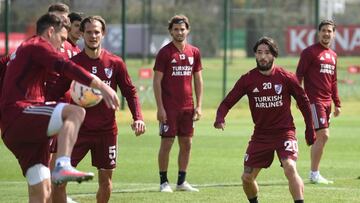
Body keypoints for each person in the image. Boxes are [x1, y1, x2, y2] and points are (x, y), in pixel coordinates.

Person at [0, 13, 120, 203]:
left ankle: (60, 168)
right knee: (75, 112)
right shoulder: (37, 45)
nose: (62, 45)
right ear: (50, 32)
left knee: (42, 192)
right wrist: (102, 86)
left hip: (17, 130)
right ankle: (63, 165)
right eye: (62, 39)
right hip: (21, 114)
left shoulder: (22, 51)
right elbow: (66, 67)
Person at [50, 15, 146, 203]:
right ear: (82, 34)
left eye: (96, 32)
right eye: (88, 32)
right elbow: (54, 92)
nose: (93, 36)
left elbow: (130, 91)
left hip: (106, 132)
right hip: (78, 132)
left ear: (103, 34)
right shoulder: (74, 64)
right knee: (58, 180)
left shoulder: (115, 63)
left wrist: (138, 117)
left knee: (105, 181)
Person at [214, 37, 316, 203]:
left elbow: (304, 102)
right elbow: (227, 102)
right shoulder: (247, 79)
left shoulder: (286, 77)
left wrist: (309, 129)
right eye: (259, 52)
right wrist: (220, 117)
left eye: (267, 53)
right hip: (261, 135)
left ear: (274, 55)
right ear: (255, 54)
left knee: (290, 167)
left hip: (285, 133)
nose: (263, 57)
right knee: (247, 177)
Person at [153, 14, 203, 193]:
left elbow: (198, 80)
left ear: (187, 30)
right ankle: (163, 182)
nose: (179, 32)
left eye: (182, 29)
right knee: (167, 143)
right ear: (170, 31)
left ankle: (181, 182)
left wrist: (199, 105)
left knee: (187, 143)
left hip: (188, 107)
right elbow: (156, 81)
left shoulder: (194, 52)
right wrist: (160, 108)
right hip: (169, 108)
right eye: (176, 29)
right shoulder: (165, 53)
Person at [296, 20, 341, 184]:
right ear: (318, 33)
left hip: (327, 102)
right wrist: (299, 96)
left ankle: (314, 172)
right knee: (324, 135)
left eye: (329, 31)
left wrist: (337, 103)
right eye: (323, 30)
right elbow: (298, 75)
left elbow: (333, 81)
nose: (326, 33)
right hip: (314, 101)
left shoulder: (333, 55)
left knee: (320, 137)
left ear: (333, 34)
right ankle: (314, 174)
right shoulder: (309, 52)